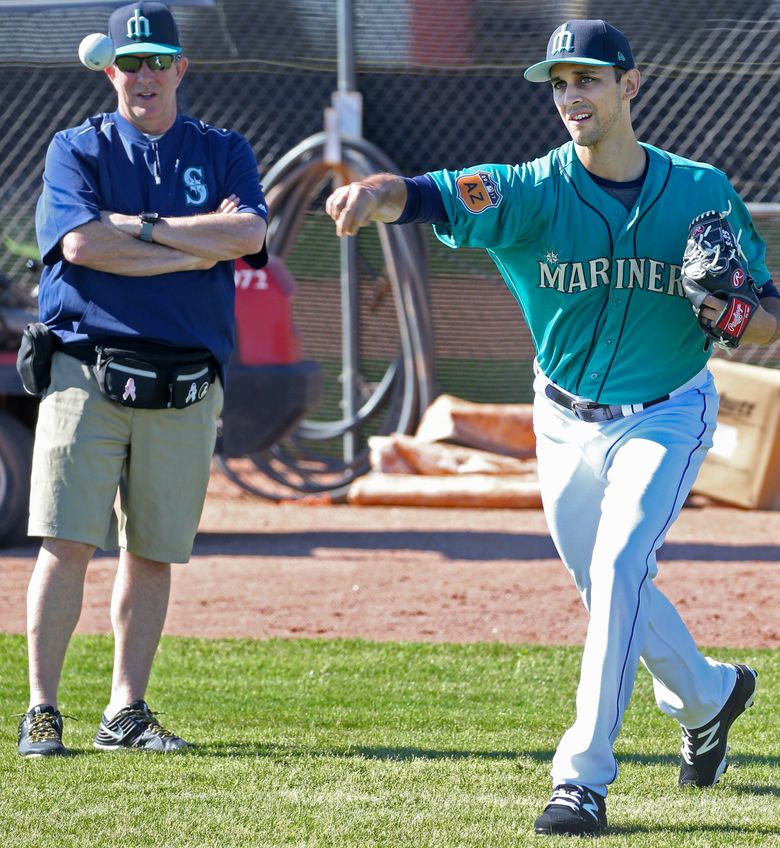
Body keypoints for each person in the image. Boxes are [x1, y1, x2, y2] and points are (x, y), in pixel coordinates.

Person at [326, 19, 780, 837]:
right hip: (564, 421)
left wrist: (738, 312)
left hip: (668, 413)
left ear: (629, 85)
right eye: (559, 83)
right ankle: (709, 698)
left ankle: (582, 780)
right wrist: (376, 194)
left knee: (617, 567)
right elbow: (427, 193)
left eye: (588, 80)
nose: (571, 96)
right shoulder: (530, 190)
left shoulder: (702, 190)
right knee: (609, 585)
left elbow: (768, 321)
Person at [17, 1, 267, 757]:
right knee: (65, 543)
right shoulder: (76, 149)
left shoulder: (223, 149)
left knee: (152, 552)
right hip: (85, 372)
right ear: (110, 72)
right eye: (131, 63)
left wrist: (147, 228)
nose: (145, 75)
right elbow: (84, 245)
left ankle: (125, 713)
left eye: (159, 60)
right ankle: (42, 711)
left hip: (186, 379)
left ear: (181, 68)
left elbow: (252, 234)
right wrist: (198, 246)